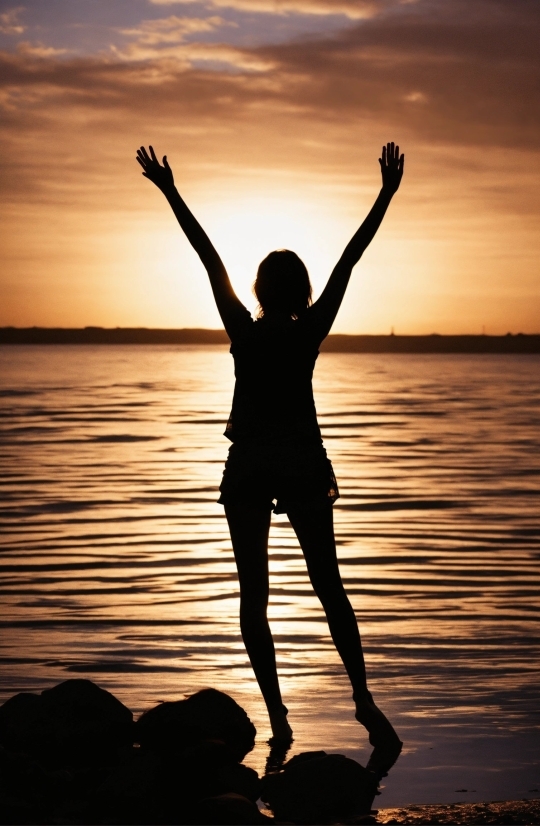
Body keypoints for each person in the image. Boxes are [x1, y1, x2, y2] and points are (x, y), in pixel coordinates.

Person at [136, 142, 405, 751]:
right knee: (328, 584)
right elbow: (350, 260)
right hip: (301, 462)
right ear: (301, 292)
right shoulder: (309, 330)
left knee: (253, 595)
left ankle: (281, 718)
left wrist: (170, 190)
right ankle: (363, 701)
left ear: (259, 289)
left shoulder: (242, 328)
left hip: (254, 463)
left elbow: (207, 256)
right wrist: (385, 195)